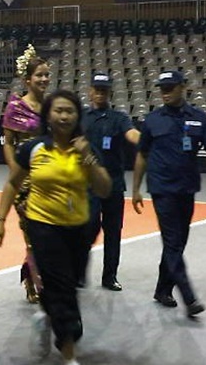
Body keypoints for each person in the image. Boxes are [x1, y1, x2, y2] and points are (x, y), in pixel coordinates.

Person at [0, 89, 111, 365]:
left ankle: (49, 310)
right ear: (48, 115)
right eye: (58, 110)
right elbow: (12, 183)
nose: (64, 115)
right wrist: (0, 221)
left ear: (77, 116)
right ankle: (68, 352)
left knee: (67, 284)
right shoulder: (34, 149)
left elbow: (104, 189)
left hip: (79, 228)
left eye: (69, 111)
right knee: (63, 289)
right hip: (43, 226)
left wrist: (88, 159)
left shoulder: (85, 149)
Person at [132, 70, 206, 319]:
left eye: (170, 87)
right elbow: (141, 155)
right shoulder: (152, 120)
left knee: (178, 244)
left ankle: (162, 290)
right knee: (173, 243)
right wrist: (135, 189)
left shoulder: (198, 118)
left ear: (183, 87)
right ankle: (189, 297)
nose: (165, 92)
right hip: (162, 189)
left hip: (186, 188)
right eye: (162, 88)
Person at [80, 72, 140, 291]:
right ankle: (79, 273)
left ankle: (110, 277)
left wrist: (146, 139)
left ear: (109, 93)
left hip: (114, 185)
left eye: (104, 90)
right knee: (88, 229)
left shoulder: (119, 118)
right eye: (96, 89)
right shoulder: (82, 117)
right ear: (90, 91)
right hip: (89, 186)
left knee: (113, 232)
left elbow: (131, 134)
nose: (100, 94)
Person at [2, 44, 50, 303]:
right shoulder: (15, 107)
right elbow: (8, 143)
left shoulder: (54, 106)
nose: (43, 79)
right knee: (32, 235)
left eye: (46, 75)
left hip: (51, 180)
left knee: (49, 235)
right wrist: (15, 173)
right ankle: (38, 284)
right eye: (39, 75)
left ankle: (31, 274)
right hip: (26, 181)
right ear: (27, 79)